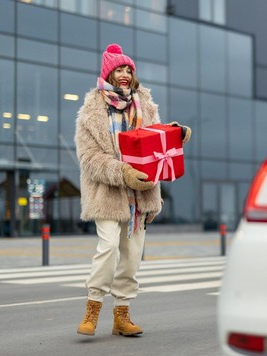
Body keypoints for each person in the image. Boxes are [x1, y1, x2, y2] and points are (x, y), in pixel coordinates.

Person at [74, 43, 191, 336]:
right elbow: (89, 160)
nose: (125, 74)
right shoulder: (90, 113)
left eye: (129, 70)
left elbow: (155, 139)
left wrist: (175, 133)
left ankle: (122, 315)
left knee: (132, 255)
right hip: (106, 194)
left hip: (140, 195)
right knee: (109, 247)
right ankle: (93, 307)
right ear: (108, 74)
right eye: (119, 69)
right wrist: (122, 171)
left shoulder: (146, 106)